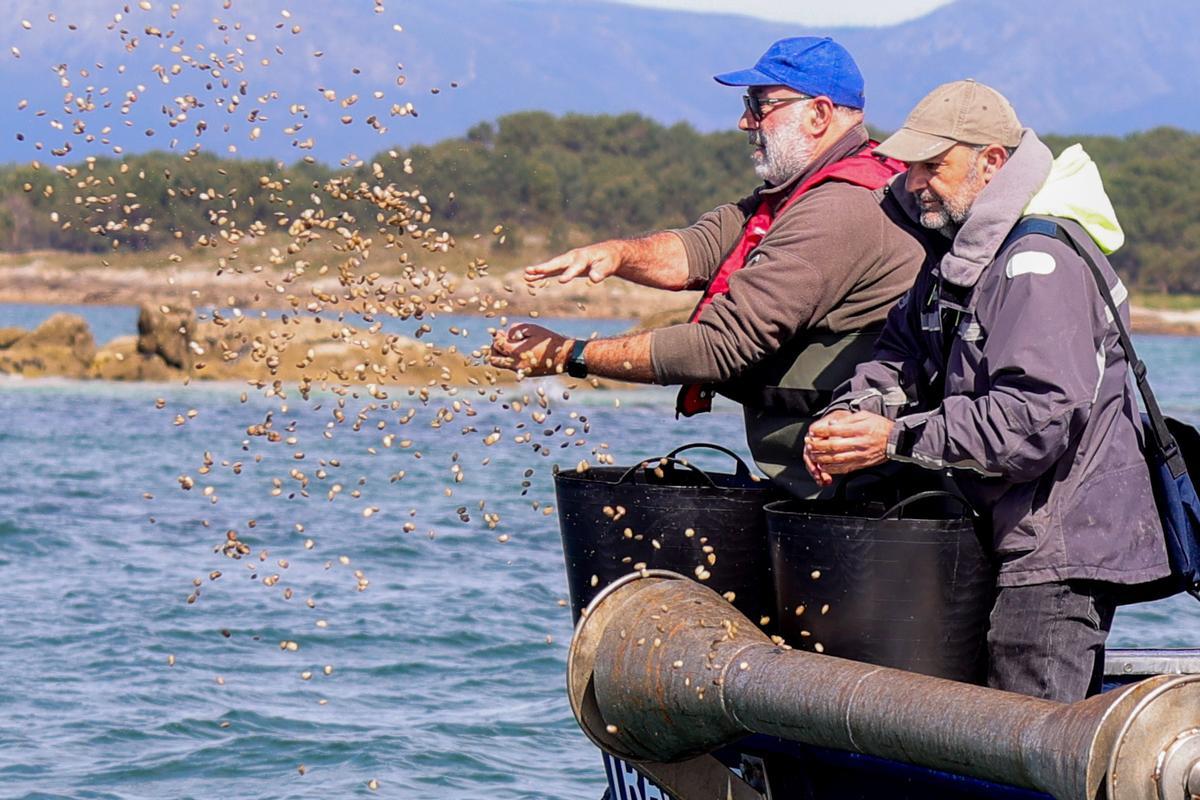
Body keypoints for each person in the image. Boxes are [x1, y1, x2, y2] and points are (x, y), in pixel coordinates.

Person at [803, 79, 1171, 702]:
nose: (915, 181)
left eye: (933, 165)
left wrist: (891, 438)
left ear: (992, 163)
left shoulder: (1037, 262)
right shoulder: (962, 259)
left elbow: (1033, 422)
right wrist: (848, 416)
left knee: (1032, 747)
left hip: (1057, 547)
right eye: (912, 165)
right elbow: (899, 354)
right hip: (1011, 535)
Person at [488, 37, 925, 498]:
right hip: (823, 479)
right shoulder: (808, 189)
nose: (745, 122)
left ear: (818, 114)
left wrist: (570, 355)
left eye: (761, 105)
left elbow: (720, 346)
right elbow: (705, 247)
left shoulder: (839, 209)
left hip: (866, 493)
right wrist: (617, 254)